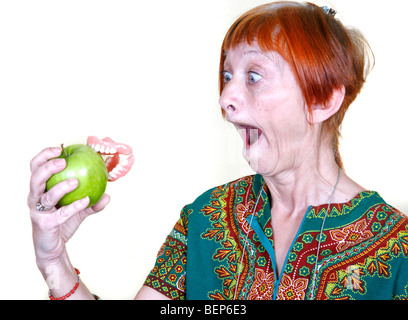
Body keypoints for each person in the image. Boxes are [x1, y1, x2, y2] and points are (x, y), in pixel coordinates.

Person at [28, 2, 408, 300]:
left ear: (323, 99)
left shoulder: (397, 250)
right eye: (226, 76)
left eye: (253, 76)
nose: (225, 97)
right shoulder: (207, 218)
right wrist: (54, 262)